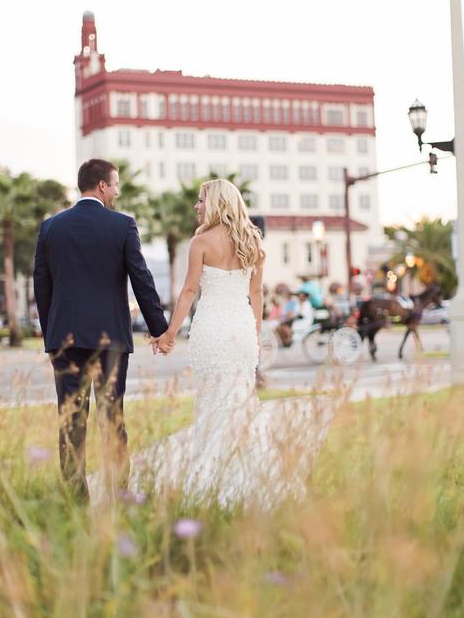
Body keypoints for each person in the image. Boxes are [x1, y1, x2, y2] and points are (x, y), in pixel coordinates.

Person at [123, 178, 339, 510]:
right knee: (241, 402)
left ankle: (213, 482)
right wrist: (254, 334)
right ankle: (256, 478)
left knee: (213, 402)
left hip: (211, 330)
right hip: (241, 330)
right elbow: (257, 294)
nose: (197, 206)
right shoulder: (253, 242)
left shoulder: (201, 242)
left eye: (201, 200)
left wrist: (169, 334)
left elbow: (189, 292)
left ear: (216, 203)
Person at [33, 158, 172, 502]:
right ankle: (119, 491)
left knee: (71, 420)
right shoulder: (122, 226)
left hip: (63, 339)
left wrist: (52, 333)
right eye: (115, 184)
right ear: (102, 187)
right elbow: (142, 279)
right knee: (112, 417)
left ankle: (75, 499)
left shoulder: (51, 228)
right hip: (110, 340)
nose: (117, 191)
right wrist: (161, 329)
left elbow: (42, 285)